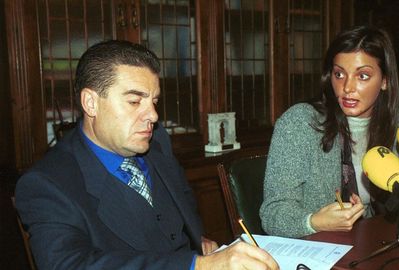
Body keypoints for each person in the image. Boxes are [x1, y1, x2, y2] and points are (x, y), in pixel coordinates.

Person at [15, 40, 278, 270]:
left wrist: (198, 238)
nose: (152, 115)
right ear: (90, 103)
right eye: (134, 101)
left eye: (154, 101)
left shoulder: (157, 141)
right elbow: (68, 265)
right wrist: (196, 265)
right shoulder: (48, 183)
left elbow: (183, 199)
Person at [260, 25, 399, 238]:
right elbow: (272, 215)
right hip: (314, 249)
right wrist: (313, 221)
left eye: (362, 76)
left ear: (385, 81)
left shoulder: (398, 122)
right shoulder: (300, 123)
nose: (347, 87)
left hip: (370, 240)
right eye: (339, 74)